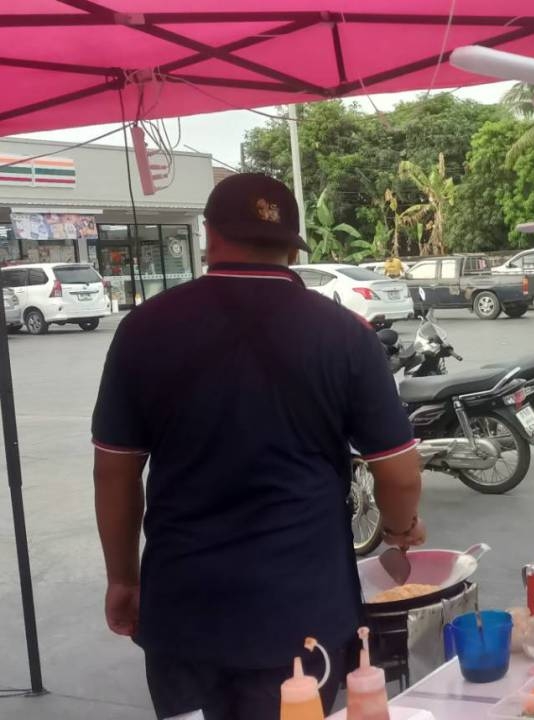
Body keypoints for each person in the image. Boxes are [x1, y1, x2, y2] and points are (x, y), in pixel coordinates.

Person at [92, 173, 426, 719]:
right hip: (302, 616)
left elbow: (114, 472)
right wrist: (397, 530)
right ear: (293, 246)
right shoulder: (346, 335)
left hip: (183, 609)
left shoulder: (143, 328)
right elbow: (399, 474)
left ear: (209, 235)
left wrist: (124, 579)